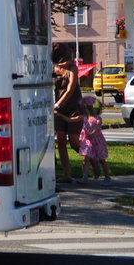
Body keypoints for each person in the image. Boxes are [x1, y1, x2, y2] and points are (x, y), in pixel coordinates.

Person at [52, 43, 82, 184]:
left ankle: (93, 159)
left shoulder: (72, 68)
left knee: (75, 142)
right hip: (59, 109)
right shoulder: (54, 68)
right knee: (61, 140)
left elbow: (70, 90)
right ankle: (67, 174)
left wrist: (57, 104)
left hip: (74, 106)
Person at [78, 95, 112, 182]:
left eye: (92, 108)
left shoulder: (98, 118)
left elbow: (97, 128)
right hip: (88, 141)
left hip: (97, 141)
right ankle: (84, 177)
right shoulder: (85, 118)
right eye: (89, 108)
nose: (90, 110)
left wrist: (91, 133)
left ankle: (107, 176)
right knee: (86, 158)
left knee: (101, 159)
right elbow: (72, 119)